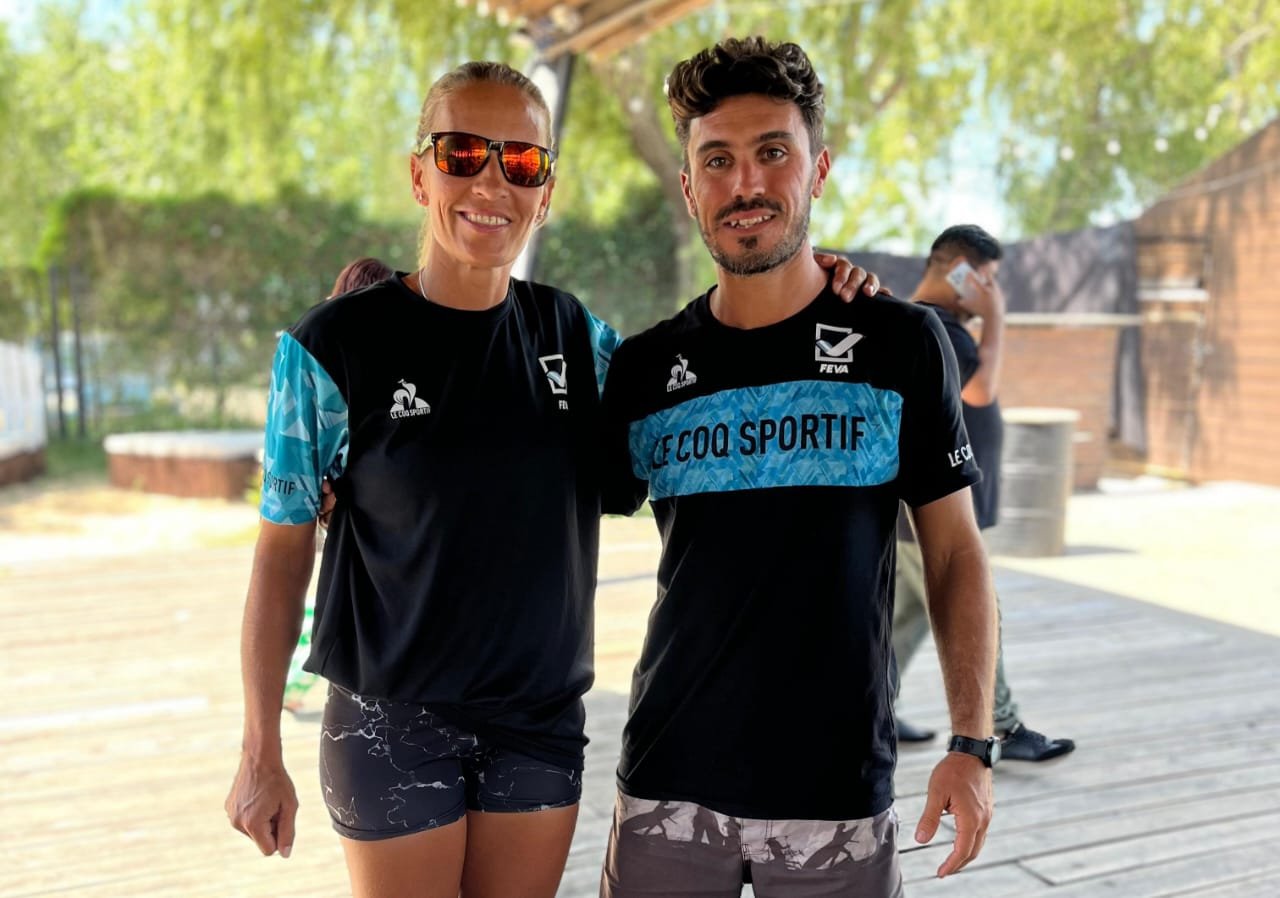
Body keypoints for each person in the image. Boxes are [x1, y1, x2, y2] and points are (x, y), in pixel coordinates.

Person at [224, 60, 881, 898]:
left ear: (548, 190)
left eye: (522, 161)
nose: (491, 180)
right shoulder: (328, 349)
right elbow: (280, 557)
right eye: (463, 153)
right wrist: (258, 751)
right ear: (420, 173)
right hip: (393, 719)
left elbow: (707, 365)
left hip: (538, 722)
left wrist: (818, 285)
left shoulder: (578, 337)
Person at [598, 37, 998, 897]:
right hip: (667, 785)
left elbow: (958, 553)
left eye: (772, 153)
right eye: (718, 160)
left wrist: (970, 743)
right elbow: (534, 506)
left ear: (817, 171)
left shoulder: (900, 344)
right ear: (689, 187)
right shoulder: (642, 368)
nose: (745, 184)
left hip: (836, 793)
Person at [891, 225, 1076, 762]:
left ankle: (871, 710)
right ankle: (1003, 725)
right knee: (977, 609)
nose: (994, 293)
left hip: (926, 513)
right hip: (932, 517)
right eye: (988, 281)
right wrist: (994, 317)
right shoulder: (941, 328)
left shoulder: (931, 326)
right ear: (960, 273)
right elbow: (981, 389)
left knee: (905, 615)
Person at [281, 256, 395, 714]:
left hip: (339, 524)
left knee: (318, 602)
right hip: (353, 526)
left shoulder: (325, 352)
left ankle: (294, 687)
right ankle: (296, 685)